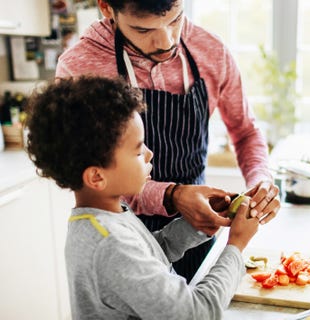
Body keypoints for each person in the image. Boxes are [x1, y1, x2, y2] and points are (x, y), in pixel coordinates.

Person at [56, 0, 280, 281]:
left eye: (176, 20)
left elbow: (246, 130)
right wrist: (172, 195)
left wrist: (261, 180)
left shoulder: (210, 50)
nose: (166, 41)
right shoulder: (79, 67)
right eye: (143, 29)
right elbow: (89, 172)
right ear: (106, 7)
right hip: (118, 235)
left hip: (198, 230)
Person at [25, 76, 260, 320]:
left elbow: (151, 253)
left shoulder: (107, 215)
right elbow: (197, 313)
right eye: (138, 150)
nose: (149, 154)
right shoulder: (108, 243)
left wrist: (196, 226)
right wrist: (236, 246)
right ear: (96, 177)